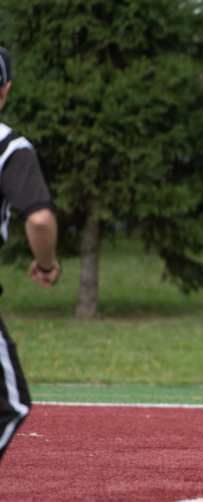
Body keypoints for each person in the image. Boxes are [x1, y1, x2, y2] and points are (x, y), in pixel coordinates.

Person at [0, 47, 62, 466]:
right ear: (5, 90)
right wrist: (46, 264)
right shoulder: (9, 146)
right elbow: (38, 219)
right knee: (12, 404)